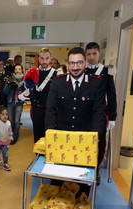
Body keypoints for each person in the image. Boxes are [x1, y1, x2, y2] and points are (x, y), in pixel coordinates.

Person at [45, 47, 106, 188]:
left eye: (79, 63)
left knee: (82, 181)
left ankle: (81, 204)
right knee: (57, 180)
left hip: (85, 139)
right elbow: (51, 110)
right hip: (60, 137)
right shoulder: (58, 82)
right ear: (67, 64)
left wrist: (95, 137)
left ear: (85, 63)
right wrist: (50, 133)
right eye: (72, 63)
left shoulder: (96, 83)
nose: (75, 67)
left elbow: (99, 111)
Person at [85, 42, 118, 173]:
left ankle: (96, 170)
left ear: (100, 54)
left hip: (99, 114)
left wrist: (112, 117)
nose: (91, 57)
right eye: (88, 54)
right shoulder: (82, 70)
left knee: (99, 143)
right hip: (83, 114)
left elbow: (111, 95)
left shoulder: (106, 71)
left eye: (94, 53)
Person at [29, 48, 58, 143]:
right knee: (37, 135)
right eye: (42, 58)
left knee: (49, 135)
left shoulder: (57, 74)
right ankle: (37, 156)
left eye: (47, 58)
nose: (44, 61)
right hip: (36, 109)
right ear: (38, 59)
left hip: (50, 110)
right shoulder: (33, 72)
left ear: (50, 59)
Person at [3, 64, 25, 144]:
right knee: (11, 121)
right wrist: (9, 84)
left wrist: (21, 91)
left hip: (19, 103)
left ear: (22, 70)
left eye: (19, 69)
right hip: (10, 102)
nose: (17, 71)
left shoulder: (25, 80)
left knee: (16, 121)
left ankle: (15, 136)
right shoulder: (10, 79)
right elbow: (5, 91)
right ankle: (10, 135)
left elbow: (27, 92)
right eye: (16, 69)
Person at [0, 106, 13, 171]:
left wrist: (10, 136)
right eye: (3, 114)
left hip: (5, 141)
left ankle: (5, 164)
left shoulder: (8, 122)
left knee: (5, 153)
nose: (5, 116)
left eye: (6, 114)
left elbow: (9, 130)